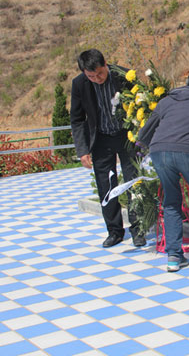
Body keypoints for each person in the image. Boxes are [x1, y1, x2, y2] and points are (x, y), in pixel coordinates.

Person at [138, 71, 189, 272]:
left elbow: (144, 134)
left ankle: (174, 257)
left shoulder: (166, 101)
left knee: (171, 201)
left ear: (187, 84)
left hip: (160, 152)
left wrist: (156, 148)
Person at [70, 49, 145, 248]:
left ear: (106, 65)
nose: (97, 79)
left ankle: (138, 229)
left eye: (100, 74)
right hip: (101, 139)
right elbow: (77, 119)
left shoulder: (124, 76)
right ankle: (114, 231)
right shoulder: (79, 84)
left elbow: (140, 105)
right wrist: (82, 150)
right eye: (91, 76)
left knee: (133, 182)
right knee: (106, 186)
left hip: (126, 136)